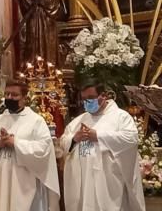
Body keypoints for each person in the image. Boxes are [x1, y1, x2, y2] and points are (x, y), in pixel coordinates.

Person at [0, 80, 60, 211]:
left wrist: (16, 143)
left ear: (25, 98)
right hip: (0, 181)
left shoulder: (36, 121)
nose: (9, 97)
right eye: (7, 94)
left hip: (24, 183)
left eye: (14, 95)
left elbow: (44, 148)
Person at [61, 81, 145, 211]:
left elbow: (131, 138)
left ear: (104, 96)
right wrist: (74, 139)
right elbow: (63, 142)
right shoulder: (79, 120)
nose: (87, 102)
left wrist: (99, 136)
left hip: (108, 182)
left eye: (90, 98)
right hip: (83, 181)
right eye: (83, 99)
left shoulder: (120, 117)